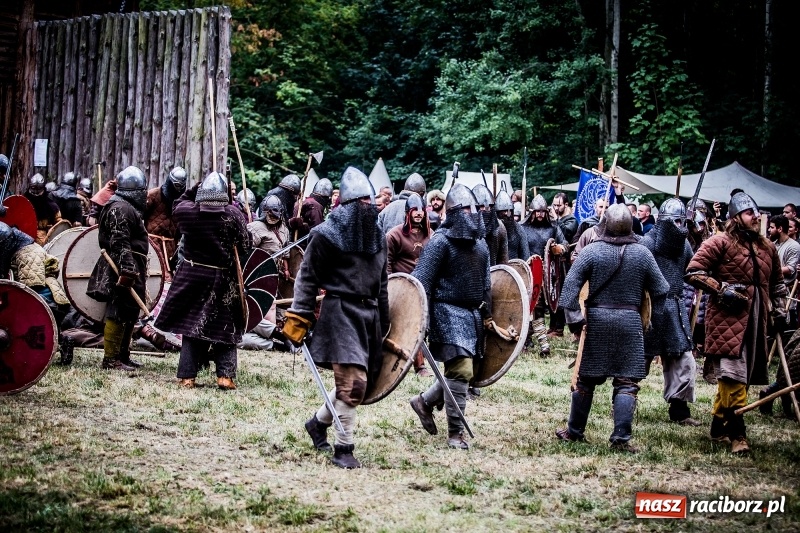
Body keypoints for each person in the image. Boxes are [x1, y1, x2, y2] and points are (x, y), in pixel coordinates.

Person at [285, 166, 389, 469]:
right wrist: (300, 315)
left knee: (358, 380)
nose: (370, 207)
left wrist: (387, 322)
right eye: (364, 203)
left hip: (369, 317)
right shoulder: (326, 235)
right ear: (351, 205)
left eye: (372, 202)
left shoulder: (377, 236)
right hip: (340, 313)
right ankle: (344, 449)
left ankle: (318, 423)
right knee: (354, 385)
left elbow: (383, 283)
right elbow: (307, 278)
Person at [556, 204, 669, 453]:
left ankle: (574, 432)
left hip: (597, 320)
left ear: (604, 224)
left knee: (586, 379)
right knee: (626, 382)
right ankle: (620, 439)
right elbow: (661, 289)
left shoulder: (592, 251)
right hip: (630, 323)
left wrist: (575, 320)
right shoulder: (642, 254)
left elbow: (569, 289)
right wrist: (650, 321)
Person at [685, 192, 788, 454]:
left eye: (756, 213)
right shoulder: (719, 241)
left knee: (735, 378)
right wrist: (720, 289)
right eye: (749, 213)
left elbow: (776, 283)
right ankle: (737, 434)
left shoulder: (767, 247)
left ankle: (718, 426)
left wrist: (778, 311)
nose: (755, 217)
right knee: (734, 377)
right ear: (735, 217)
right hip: (727, 320)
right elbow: (694, 271)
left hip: (755, 322)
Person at [409, 183, 491, 450]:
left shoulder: (481, 246)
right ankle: (456, 433)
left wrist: (489, 314)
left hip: (473, 315)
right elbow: (421, 283)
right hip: (446, 311)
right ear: (455, 213)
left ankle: (424, 402)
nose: (472, 213)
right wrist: (423, 321)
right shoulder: (440, 243)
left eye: (474, 209)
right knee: (461, 370)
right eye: (466, 209)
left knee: (465, 373)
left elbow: (487, 284)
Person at [155, 172, 250, 390]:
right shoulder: (233, 214)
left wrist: (198, 186)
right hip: (221, 277)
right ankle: (225, 376)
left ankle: (187, 377)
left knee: (191, 325)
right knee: (225, 325)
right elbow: (245, 245)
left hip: (191, 275)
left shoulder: (186, 212)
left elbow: (179, 201)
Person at [641, 198, 701, 426]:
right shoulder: (647, 243)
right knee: (639, 360)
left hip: (674, 308)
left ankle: (680, 412)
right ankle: (625, 403)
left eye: (682, 221)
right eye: (676, 221)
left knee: (683, 361)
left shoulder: (684, 246)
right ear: (664, 222)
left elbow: (693, 270)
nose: (680, 226)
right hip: (650, 308)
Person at [86, 166, 150, 371]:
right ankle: (111, 359)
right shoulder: (120, 208)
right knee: (118, 310)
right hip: (121, 265)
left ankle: (123, 355)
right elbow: (119, 241)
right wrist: (128, 268)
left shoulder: (123, 206)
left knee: (130, 311)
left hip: (129, 263)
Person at [385, 192, 433, 377]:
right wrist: (391, 285)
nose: (419, 213)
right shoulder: (395, 235)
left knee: (421, 325)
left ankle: (419, 364)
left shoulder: (431, 235)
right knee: (408, 324)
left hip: (423, 288)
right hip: (401, 288)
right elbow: (387, 261)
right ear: (408, 212)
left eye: (421, 210)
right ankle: (418, 366)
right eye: (415, 210)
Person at [238, 194, 293, 352]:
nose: (273, 217)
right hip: (255, 274)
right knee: (256, 308)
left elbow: (285, 251)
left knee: (271, 305)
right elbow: (246, 254)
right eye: (269, 213)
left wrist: (286, 268)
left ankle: (278, 336)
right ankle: (272, 341)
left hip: (273, 274)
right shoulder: (255, 228)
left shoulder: (283, 229)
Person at [520, 194, 568, 353]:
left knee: (537, 307)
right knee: (530, 306)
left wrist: (560, 248)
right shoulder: (523, 228)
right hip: (528, 271)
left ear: (546, 212)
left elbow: (565, 245)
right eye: (537, 212)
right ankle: (529, 340)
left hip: (547, 274)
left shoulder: (553, 228)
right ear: (532, 212)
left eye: (542, 212)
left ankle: (536, 341)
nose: (540, 214)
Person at [144, 166, 187, 272]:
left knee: (169, 278)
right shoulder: (153, 195)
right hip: (152, 245)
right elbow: (139, 216)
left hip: (170, 247)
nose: (177, 189)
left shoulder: (182, 201)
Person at [472, 184, 508, 266]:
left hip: (493, 275)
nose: (485, 209)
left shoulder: (500, 228)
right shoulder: (466, 227)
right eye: (481, 206)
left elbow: (503, 263)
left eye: (488, 206)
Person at [24, 173, 62, 244]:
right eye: (33, 188)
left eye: (38, 189)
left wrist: (51, 230)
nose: (36, 192)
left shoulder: (52, 206)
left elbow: (59, 225)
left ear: (43, 189)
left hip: (44, 242)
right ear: (30, 187)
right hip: (25, 237)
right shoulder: (22, 203)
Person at [495, 190, 529, 260]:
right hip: (496, 268)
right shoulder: (492, 228)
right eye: (503, 211)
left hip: (514, 268)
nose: (505, 214)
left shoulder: (518, 229)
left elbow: (525, 255)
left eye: (508, 211)